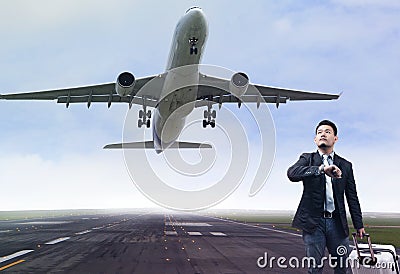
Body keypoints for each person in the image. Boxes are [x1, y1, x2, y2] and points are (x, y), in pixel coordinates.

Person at [287, 120, 365, 273]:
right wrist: (321, 169)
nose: (323, 134)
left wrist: (359, 224)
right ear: (315, 139)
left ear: (335, 138)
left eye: (328, 132)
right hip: (313, 224)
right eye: (319, 132)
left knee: (343, 268)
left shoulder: (346, 165)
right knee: (315, 268)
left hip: (337, 224)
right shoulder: (307, 159)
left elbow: (352, 196)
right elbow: (292, 173)